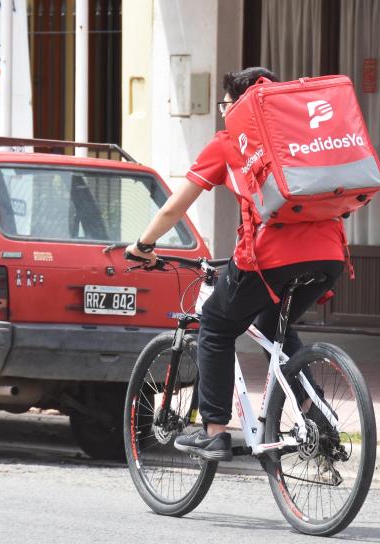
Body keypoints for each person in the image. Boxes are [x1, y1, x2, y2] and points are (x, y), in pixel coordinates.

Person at [125, 67, 346, 461]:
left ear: (238, 105)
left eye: (225, 103)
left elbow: (177, 205)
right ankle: (315, 416)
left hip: (269, 258)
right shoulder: (299, 139)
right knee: (271, 323)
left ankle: (213, 431)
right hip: (329, 255)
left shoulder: (228, 142)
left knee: (214, 324)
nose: (223, 110)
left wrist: (143, 244)